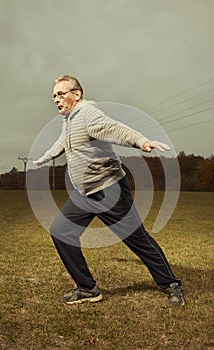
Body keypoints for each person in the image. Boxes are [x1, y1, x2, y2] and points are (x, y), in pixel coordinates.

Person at [34, 75, 184, 306]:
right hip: (85, 194)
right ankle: (88, 288)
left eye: (61, 93)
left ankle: (171, 284)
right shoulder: (69, 120)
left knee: (138, 239)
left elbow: (113, 128)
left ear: (77, 94)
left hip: (108, 190)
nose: (56, 99)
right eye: (53, 95)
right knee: (61, 231)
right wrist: (45, 157)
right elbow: (63, 141)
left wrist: (141, 141)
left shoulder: (87, 114)